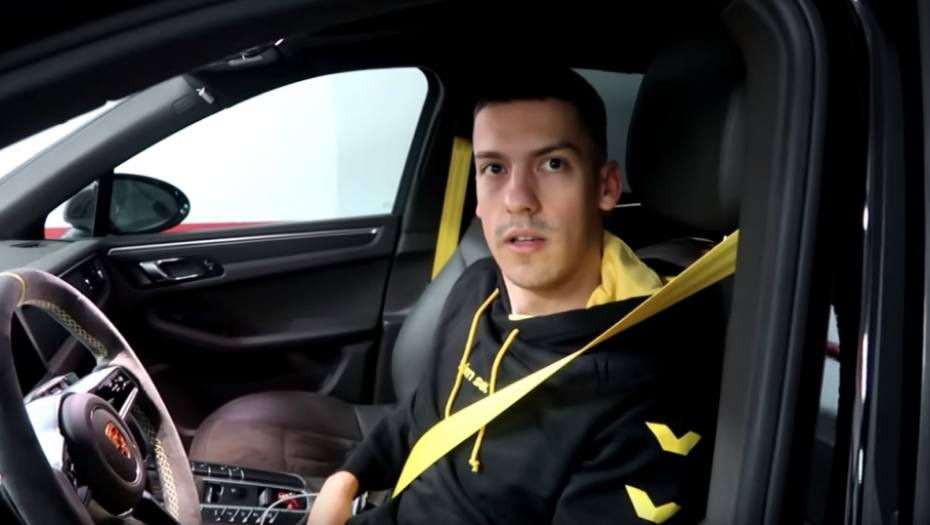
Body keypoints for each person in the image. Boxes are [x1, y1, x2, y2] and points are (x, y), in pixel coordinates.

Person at [308, 68, 727, 525]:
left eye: (552, 164)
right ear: (477, 195)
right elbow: (423, 412)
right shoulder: (478, 288)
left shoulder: (645, 382)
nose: (518, 198)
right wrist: (344, 480)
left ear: (606, 187)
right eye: (494, 168)